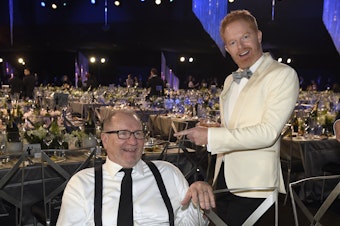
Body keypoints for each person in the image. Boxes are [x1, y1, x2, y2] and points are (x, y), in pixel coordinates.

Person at [174, 10, 299, 225]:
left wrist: (211, 136)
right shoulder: (230, 80)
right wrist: (216, 128)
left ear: (258, 36)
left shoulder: (282, 74)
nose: (240, 47)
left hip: (255, 185)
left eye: (245, 37)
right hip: (223, 178)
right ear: (226, 48)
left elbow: (267, 133)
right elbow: (237, 126)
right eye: (232, 42)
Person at [57, 109, 215, 225]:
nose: (133, 142)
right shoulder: (82, 183)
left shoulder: (167, 172)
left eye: (138, 133)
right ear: (105, 140)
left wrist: (200, 200)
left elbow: (191, 223)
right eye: (123, 133)